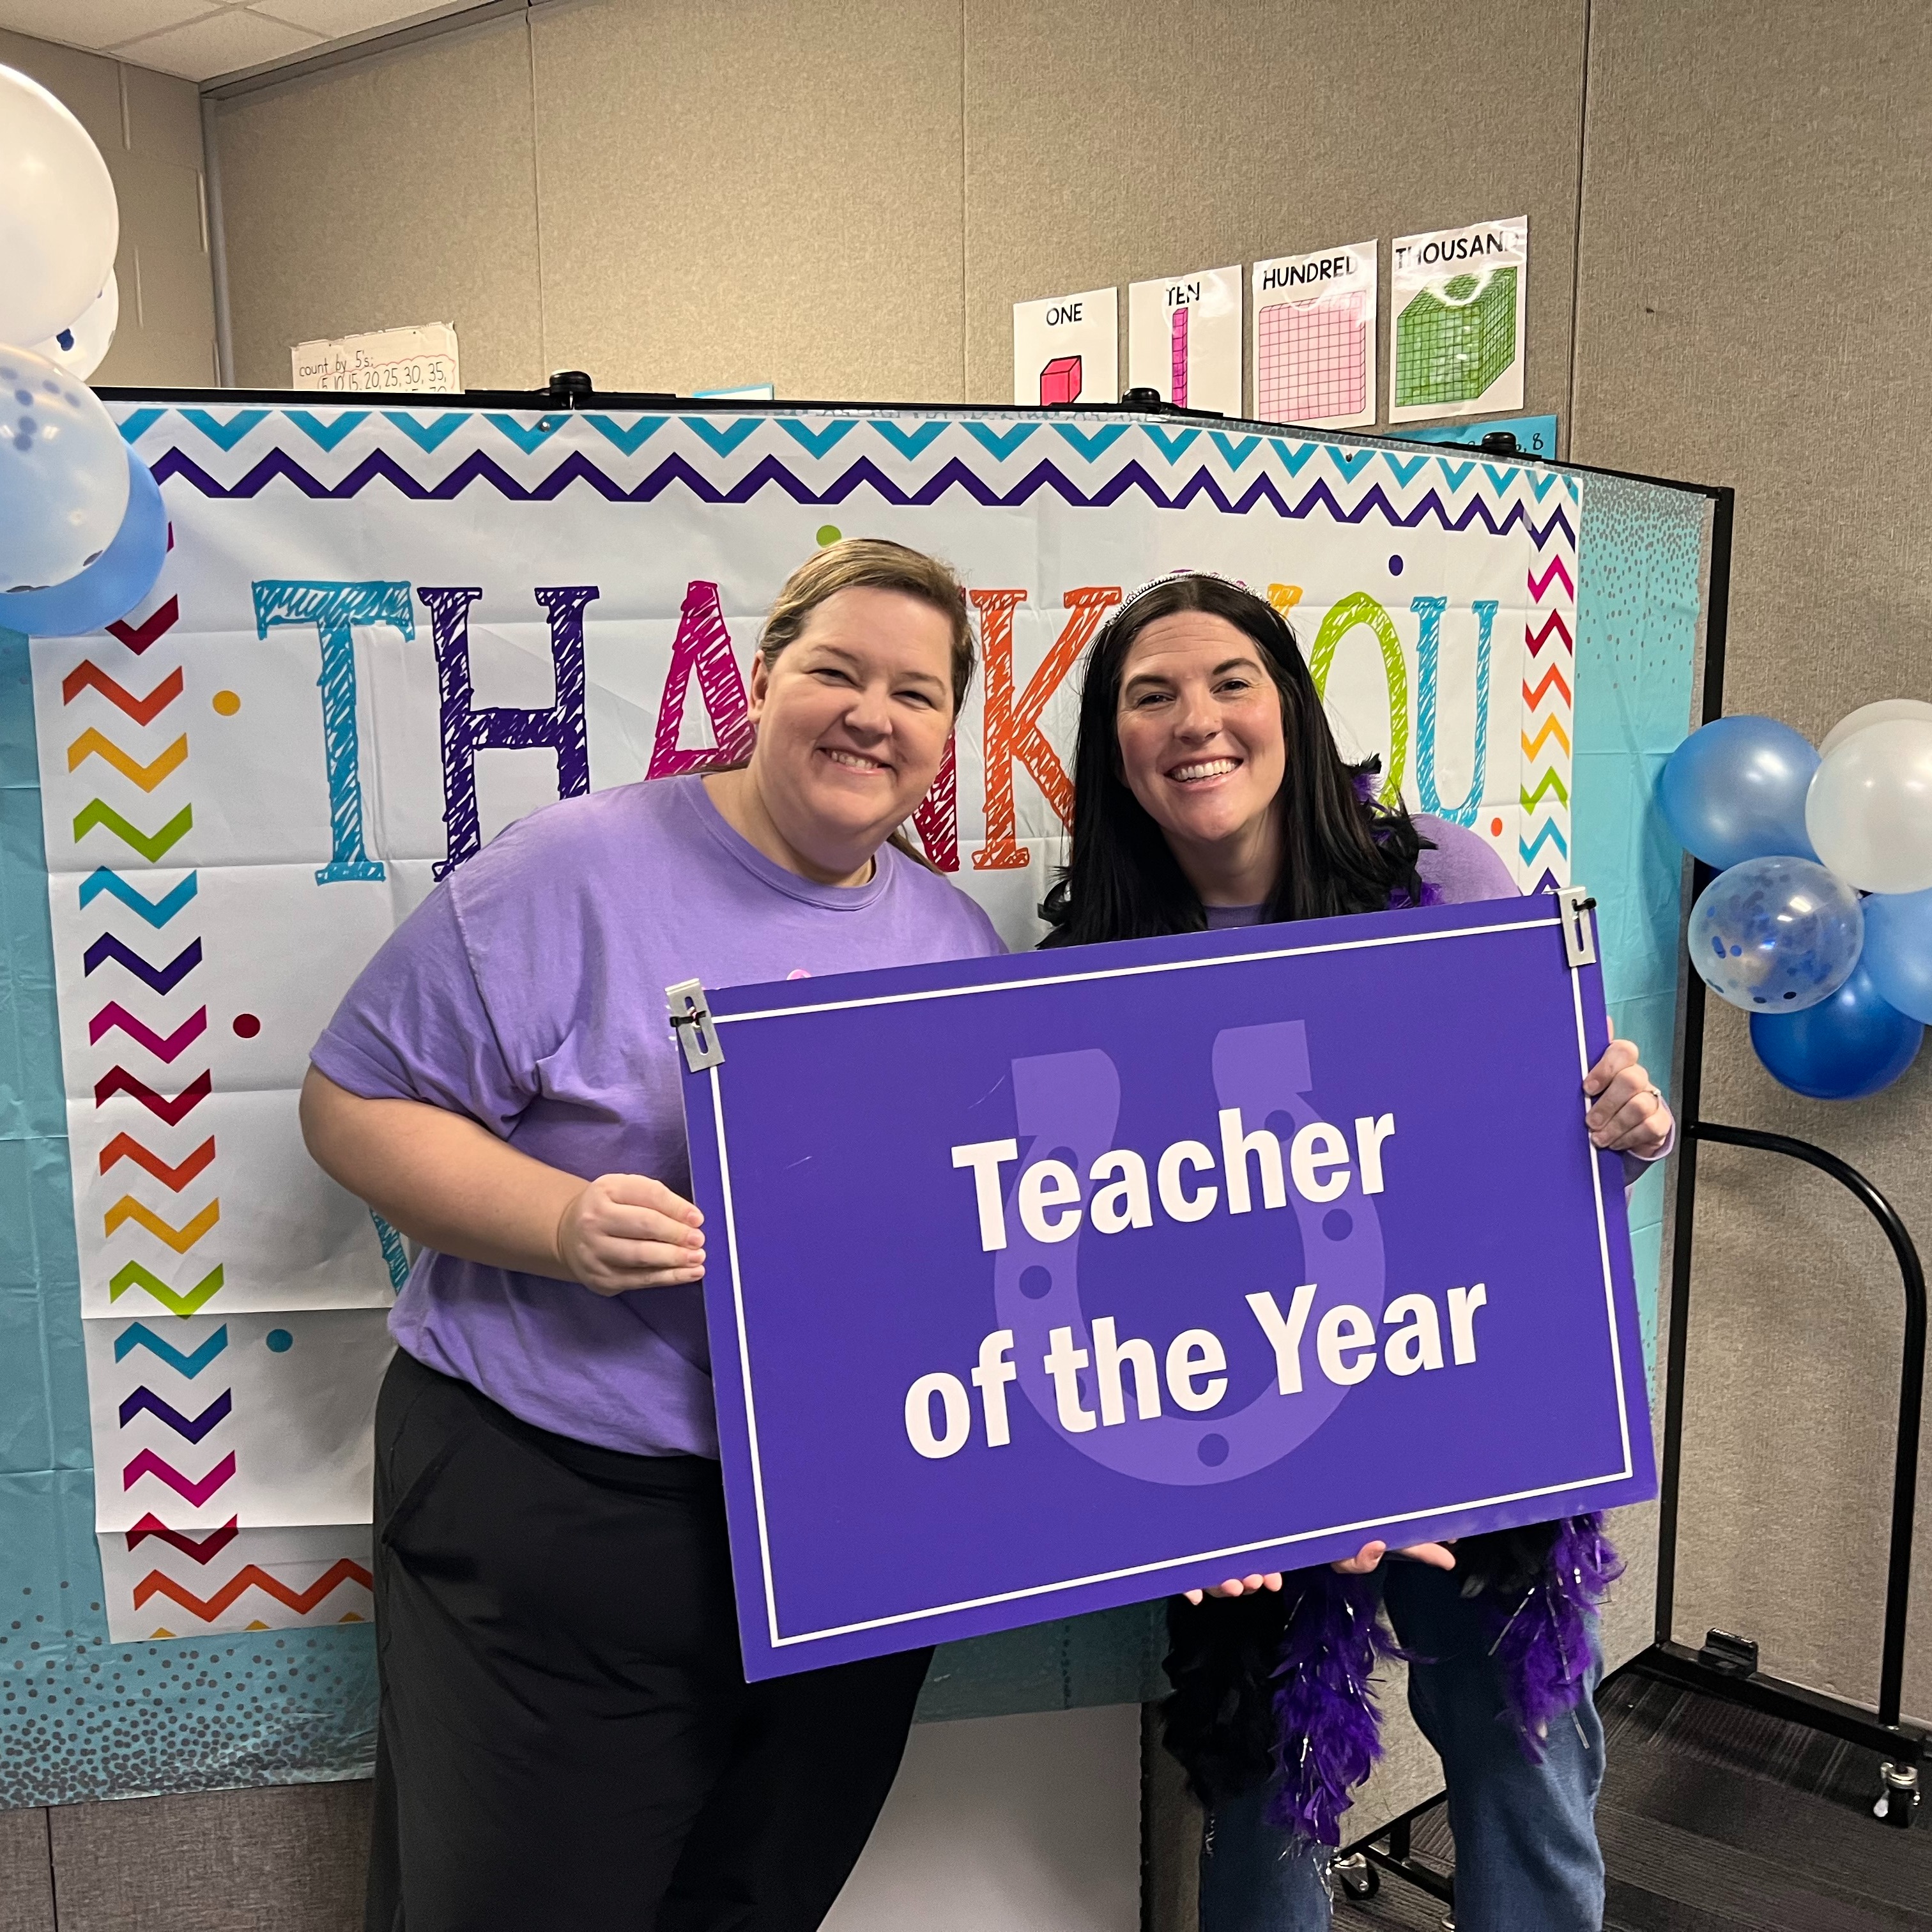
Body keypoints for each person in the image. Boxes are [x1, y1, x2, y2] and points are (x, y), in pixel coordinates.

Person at [301, 540, 1005, 1932]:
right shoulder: (576, 871)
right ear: (761, 678)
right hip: (567, 1505)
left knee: (755, 1897)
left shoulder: (952, 942)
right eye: (836, 672)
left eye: (916, 693)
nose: (873, 714)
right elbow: (351, 1103)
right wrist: (558, 1222)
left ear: (947, 733)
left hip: (844, 1522)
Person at [1039, 572, 1673, 1932]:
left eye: (1230, 683)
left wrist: (1617, 1132)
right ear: (1114, 745)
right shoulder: (1097, 952)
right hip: (1246, 1452)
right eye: (1150, 696)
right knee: (1264, 1828)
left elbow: (1527, 1185)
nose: (1194, 721)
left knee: (1527, 1788)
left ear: (1292, 711)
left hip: (1462, 1422)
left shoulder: (1445, 876)